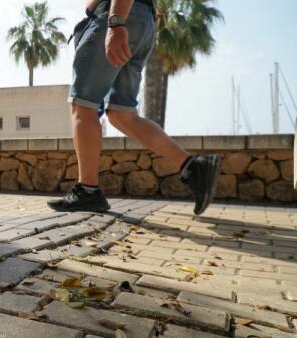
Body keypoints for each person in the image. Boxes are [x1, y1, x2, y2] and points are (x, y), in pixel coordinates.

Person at [48, 0, 221, 215]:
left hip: (116, 15)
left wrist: (116, 23)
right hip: (141, 21)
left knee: (82, 105)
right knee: (121, 114)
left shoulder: (115, 21)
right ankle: (194, 167)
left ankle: (88, 190)